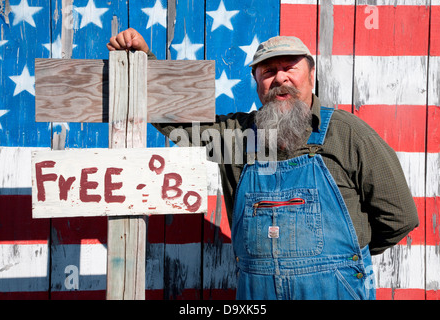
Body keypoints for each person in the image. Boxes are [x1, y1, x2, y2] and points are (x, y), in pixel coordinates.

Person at [108, 28, 419, 300]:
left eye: (289, 68)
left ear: (311, 76)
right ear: (256, 80)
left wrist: (345, 261)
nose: (280, 78)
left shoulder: (348, 134)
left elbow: (399, 216)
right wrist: (144, 60)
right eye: (268, 71)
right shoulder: (236, 137)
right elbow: (175, 121)